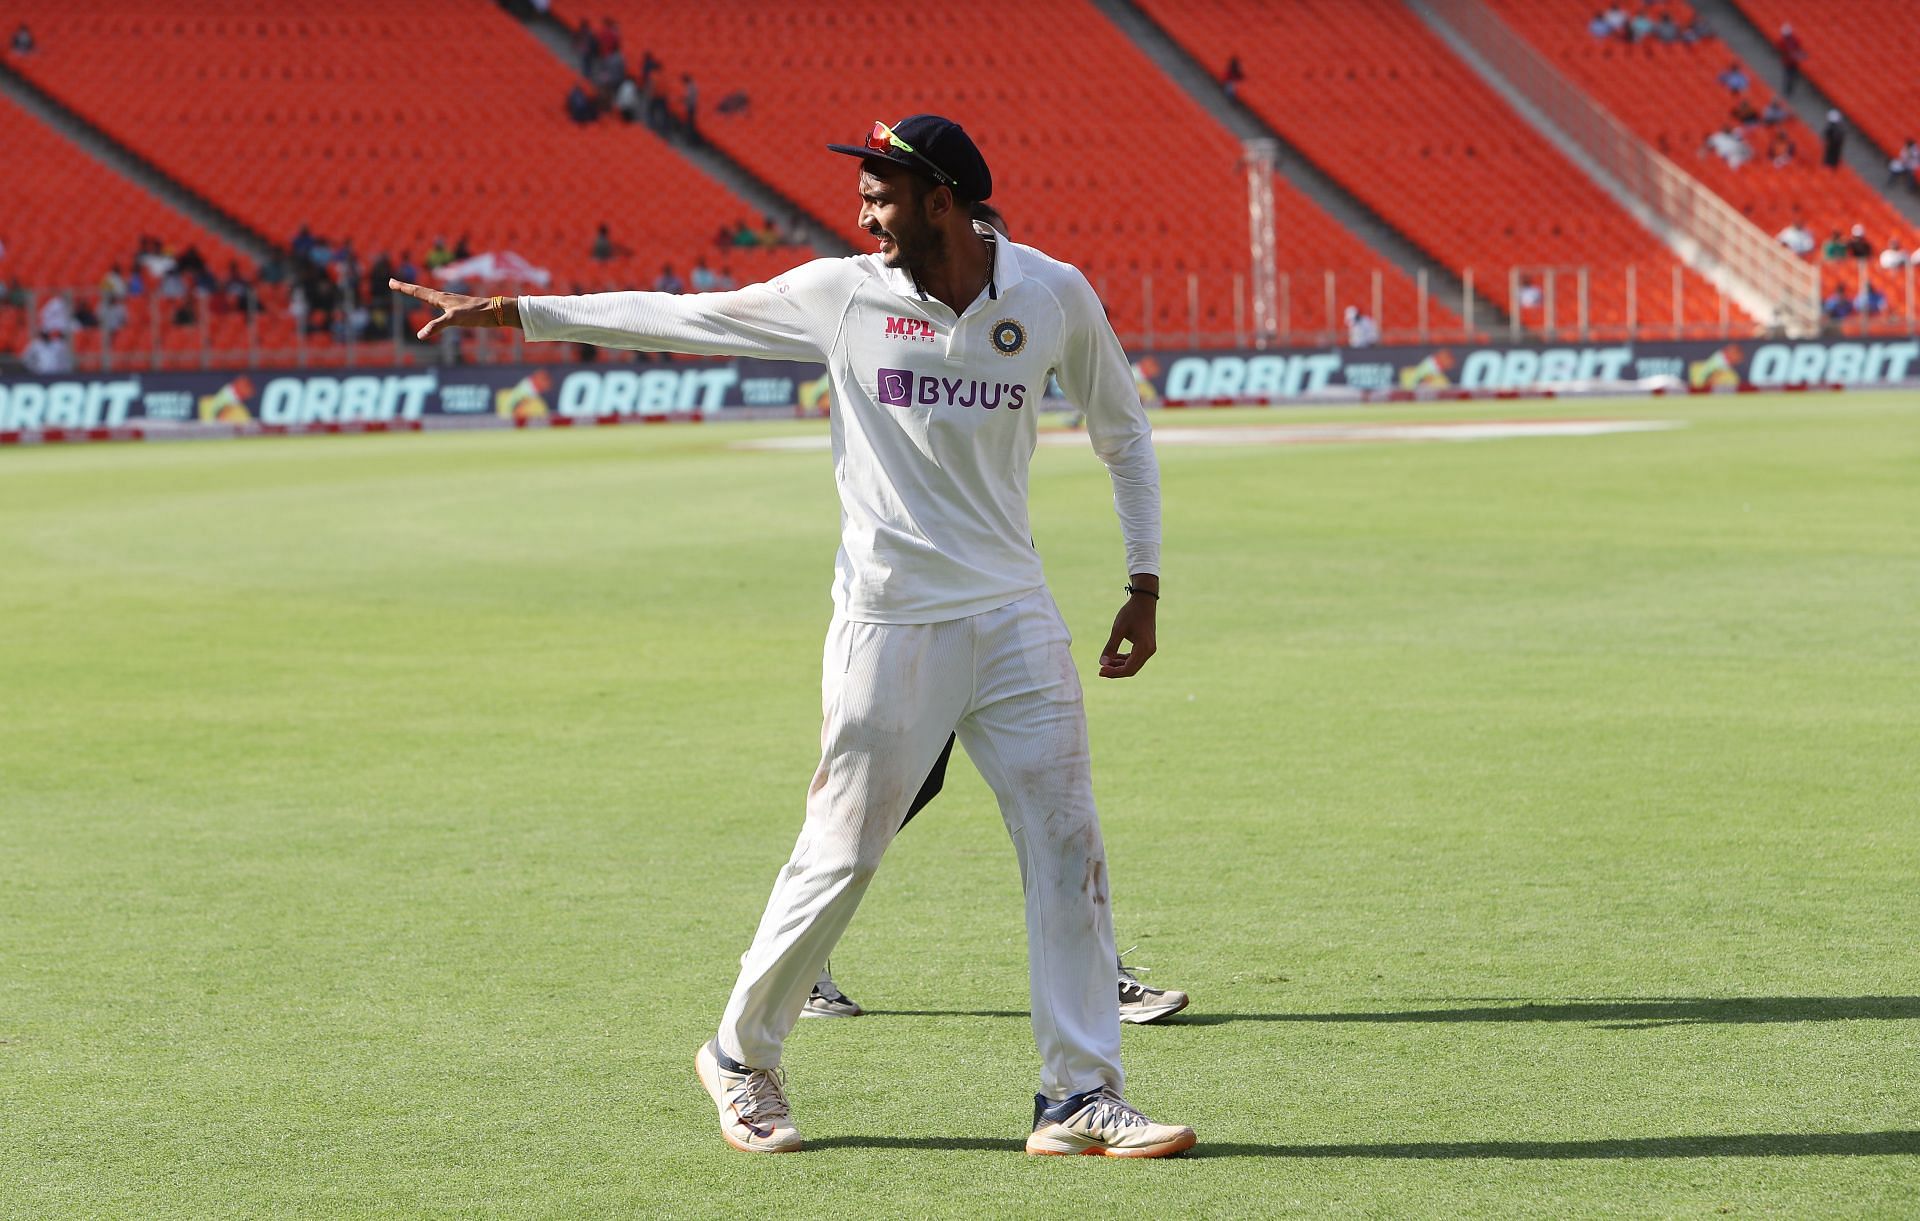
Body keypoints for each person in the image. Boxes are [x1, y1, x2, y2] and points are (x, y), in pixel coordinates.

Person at [388, 112, 1194, 1160]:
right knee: (842, 854)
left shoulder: (1052, 294)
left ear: (942, 200)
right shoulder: (839, 293)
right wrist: (512, 309)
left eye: (884, 195)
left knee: (1068, 841)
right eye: (865, 195)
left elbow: (1123, 434)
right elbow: (682, 317)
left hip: (1014, 612)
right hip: (889, 619)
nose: (865, 213)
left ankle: (1078, 1095)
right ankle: (738, 1054)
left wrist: (1144, 582)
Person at [1777, 23, 1807, 97]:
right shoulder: (1783, 42)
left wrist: (1800, 54)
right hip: (1788, 62)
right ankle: (1787, 90)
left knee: (1791, 76)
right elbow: (1781, 50)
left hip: (1793, 62)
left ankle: (1789, 89)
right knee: (1788, 75)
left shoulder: (1794, 40)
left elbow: (1798, 48)